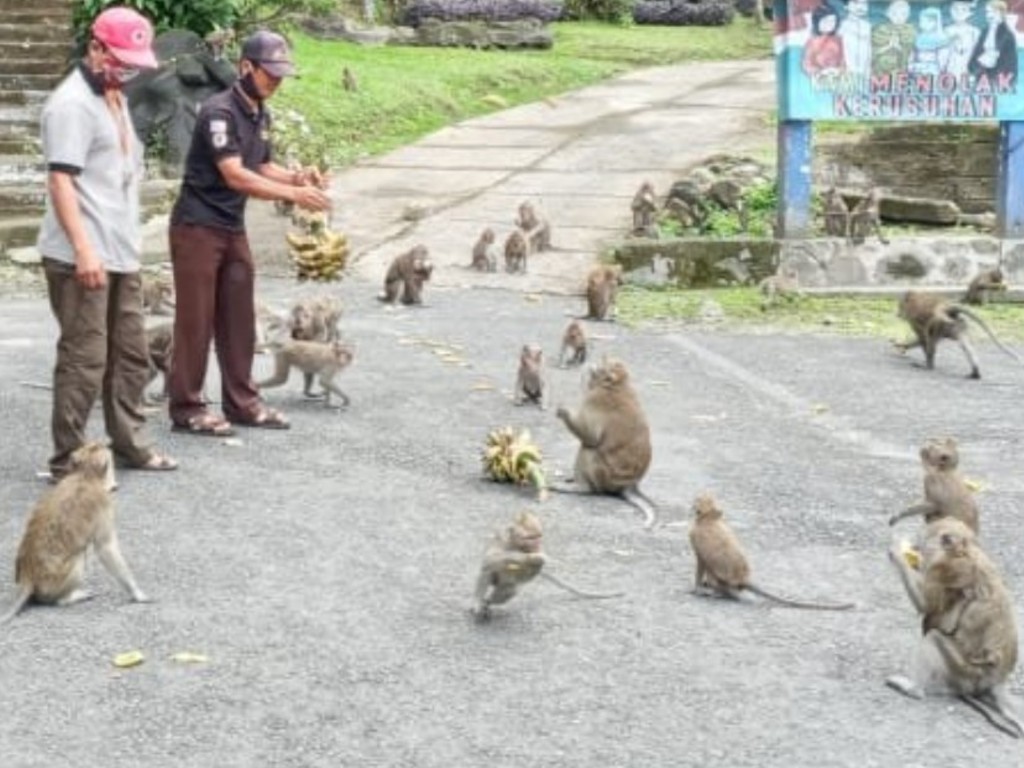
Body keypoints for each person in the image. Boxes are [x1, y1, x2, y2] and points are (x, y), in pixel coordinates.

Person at [37, 6, 178, 480]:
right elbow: (61, 182)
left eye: (133, 60)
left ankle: (130, 445)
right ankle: (69, 462)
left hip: (120, 251)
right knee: (85, 359)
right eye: (119, 58)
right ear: (94, 47)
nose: (127, 68)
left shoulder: (113, 96)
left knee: (132, 354)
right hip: (81, 254)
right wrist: (83, 249)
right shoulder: (72, 104)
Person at [167, 30, 330, 436]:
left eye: (280, 75)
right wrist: (294, 193)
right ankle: (187, 408)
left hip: (230, 227)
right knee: (196, 321)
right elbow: (235, 173)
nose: (275, 82)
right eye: (269, 73)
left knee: (239, 317)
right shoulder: (218, 112)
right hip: (197, 227)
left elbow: (260, 165)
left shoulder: (260, 112)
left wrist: (296, 176)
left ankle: (243, 402)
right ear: (245, 67)